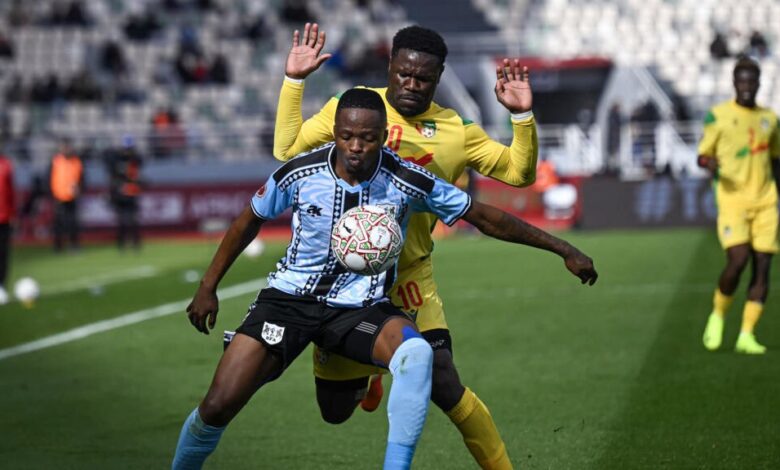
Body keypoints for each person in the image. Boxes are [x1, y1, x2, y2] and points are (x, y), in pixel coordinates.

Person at [174, 88, 597, 469]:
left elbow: (484, 217)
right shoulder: (299, 173)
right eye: (347, 136)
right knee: (221, 405)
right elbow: (248, 220)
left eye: (368, 138)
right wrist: (208, 286)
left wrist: (563, 248)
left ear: (383, 135)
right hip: (289, 301)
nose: (356, 147)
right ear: (335, 132)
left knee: (417, 355)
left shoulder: (406, 179)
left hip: (360, 308)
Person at [274, 23, 539, 469]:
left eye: (423, 78)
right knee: (334, 411)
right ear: (390, 68)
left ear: (438, 78)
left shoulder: (456, 130)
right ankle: (371, 374)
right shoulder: (354, 109)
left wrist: (522, 118)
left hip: (410, 275)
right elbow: (286, 150)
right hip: (346, 284)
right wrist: (294, 81)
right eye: (404, 74)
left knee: (444, 380)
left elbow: (519, 173)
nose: (412, 84)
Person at [699, 56, 780, 354]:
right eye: (742, 81)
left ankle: (747, 334)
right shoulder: (718, 116)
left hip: (766, 201)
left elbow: (776, 160)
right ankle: (718, 314)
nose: (746, 86)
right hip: (733, 200)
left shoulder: (770, 118)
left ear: (758, 83)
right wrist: (709, 163)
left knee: (763, 267)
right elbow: (702, 155)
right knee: (738, 259)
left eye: (751, 81)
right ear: (734, 83)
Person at [108, 135, 143, 250]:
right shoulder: (117, 160)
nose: (128, 151)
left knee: (133, 220)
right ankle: (121, 243)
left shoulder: (135, 160)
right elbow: (114, 175)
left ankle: (135, 243)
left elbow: (138, 165)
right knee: (122, 221)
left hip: (132, 192)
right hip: (121, 194)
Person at [49, 139, 83, 252]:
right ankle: (58, 246)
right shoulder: (55, 161)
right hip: (58, 196)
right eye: (64, 147)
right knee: (59, 223)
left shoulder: (77, 162)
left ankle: (74, 245)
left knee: (73, 223)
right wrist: (52, 194)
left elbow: (82, 179)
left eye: (67, 147)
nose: (66, 150)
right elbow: (49, 178)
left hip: (72, 197)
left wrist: (79, 189)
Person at [0, 151, 14, 304]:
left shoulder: (6, 165)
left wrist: (12, 213)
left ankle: (2, 286)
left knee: (3, 254)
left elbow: (10, 192)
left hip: (3, 217)